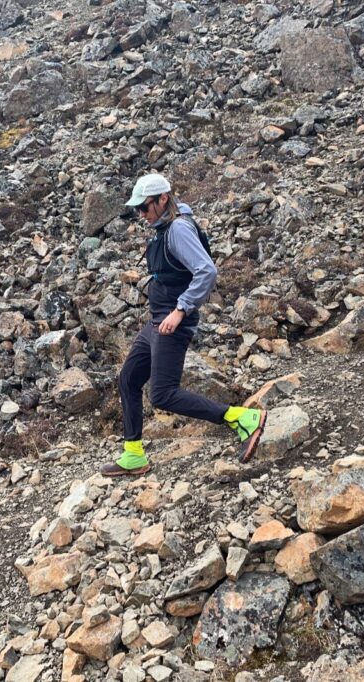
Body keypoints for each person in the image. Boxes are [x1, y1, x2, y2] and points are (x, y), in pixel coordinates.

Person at [100, 173, 267, 476]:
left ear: (163, 199)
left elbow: (207, 271)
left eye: (144, 207)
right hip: (157, 321)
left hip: (172, 323)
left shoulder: (177, 229)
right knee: (128, 379)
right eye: (137, 208)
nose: (140, 213)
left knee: (162, 393)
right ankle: (134, 454)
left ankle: (241, 418)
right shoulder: (165, 226)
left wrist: (180, 311)